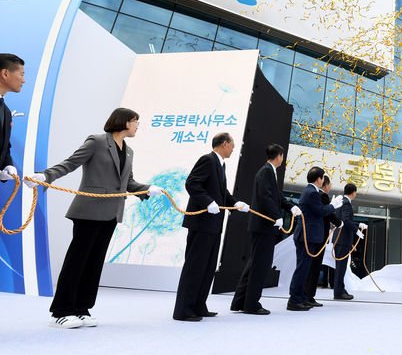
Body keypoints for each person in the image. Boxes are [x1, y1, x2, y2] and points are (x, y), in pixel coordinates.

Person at [24, 108, 162, 328]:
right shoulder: (97, 142)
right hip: (88, 212)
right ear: (125, 122)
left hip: (111, 213)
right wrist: (44, 176)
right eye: (136, 122)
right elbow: (70, 163)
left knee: (94, 263)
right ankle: (61, 311)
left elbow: (128, 183)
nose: (137, 126)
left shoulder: (129, 151)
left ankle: (82, 308)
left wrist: (147, 189)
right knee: (76, 262)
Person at [173, 132, 250, 321]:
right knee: (195, 267)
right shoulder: (207, 160)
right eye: (231, 145)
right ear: (224, 144)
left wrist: (235, 204)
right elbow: (192, 183)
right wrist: (208, 202)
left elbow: (222, 192)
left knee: (207, 268)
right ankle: (184, 310)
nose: (233, 149)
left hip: (213, 226)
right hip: (201, 224)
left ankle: (199, 305)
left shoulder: (220, 165)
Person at [230, 144, 299, 315]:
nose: (283, 159)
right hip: (264, 226)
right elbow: (266, 197)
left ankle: (241, 301)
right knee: (260, 265)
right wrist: (277, 216)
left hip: (262, 226)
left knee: (255, 263)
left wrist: (291, 207)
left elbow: (276, 196)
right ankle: (251, 304)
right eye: (283, 156)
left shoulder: (269, 171)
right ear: (279, 156)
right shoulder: (267, 171)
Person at [287, 166, 341, 311]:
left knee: (304, 269)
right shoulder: (311, 193)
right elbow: (320, 211)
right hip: (306, 236)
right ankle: (294, 300)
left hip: (308, 236)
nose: (324, 180)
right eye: (323, 178)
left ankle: (301, 298)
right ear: (319, 179)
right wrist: (332, 206)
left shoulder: (311, 191)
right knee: (302, 269)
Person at [303, 174, 342, 306]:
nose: (330, 188)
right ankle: (308, 296)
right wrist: (339, 222)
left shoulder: (316, 194)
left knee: (313, 266)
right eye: (329, 185)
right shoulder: (322, 195)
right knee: (314, 266)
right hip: (319, 235)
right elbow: (327, 213)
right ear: (324, 184)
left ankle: (307, 295)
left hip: (317, 235)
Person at [332, 183, 366, 300]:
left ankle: (340, 289)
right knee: (341, 267)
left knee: (340, 267)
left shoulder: (341, 202)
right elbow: (345, 220)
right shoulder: (346, 204)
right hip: (342, 239)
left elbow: (343, 220)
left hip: (339, 238)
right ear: (354, 192)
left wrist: (358, 224)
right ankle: (338, 292)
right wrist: (357, 230)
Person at [0, 54, 25, 184]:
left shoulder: (6, 112)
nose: (23, 80)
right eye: (21, 74)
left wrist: (7, 165)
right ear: (5, 73)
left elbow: (4, 147)